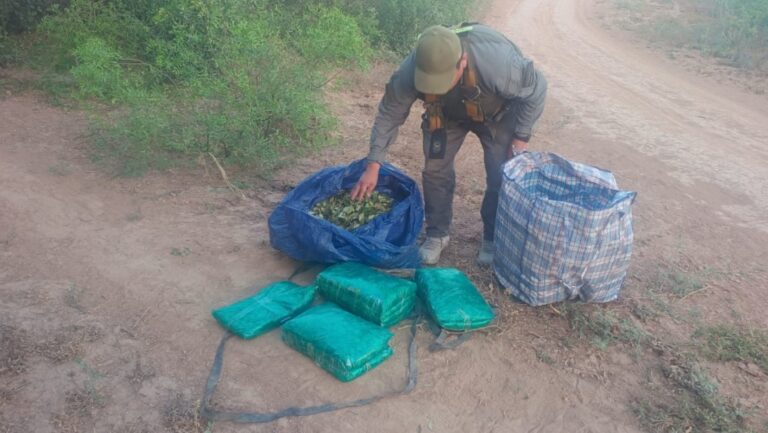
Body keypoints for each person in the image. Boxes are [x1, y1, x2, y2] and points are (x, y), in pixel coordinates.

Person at [351, 23, 547, 266]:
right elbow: (390, 113)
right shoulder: (412, 67)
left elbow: (537, 88)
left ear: (462, 61)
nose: (435, 87)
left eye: (442, 80)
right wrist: (373, 164)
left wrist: (521, 137)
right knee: (435, 171)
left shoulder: (498, 64)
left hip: (497, 115)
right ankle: (437, 233)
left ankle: (492, 237)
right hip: (444, 114)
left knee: (501, 174)